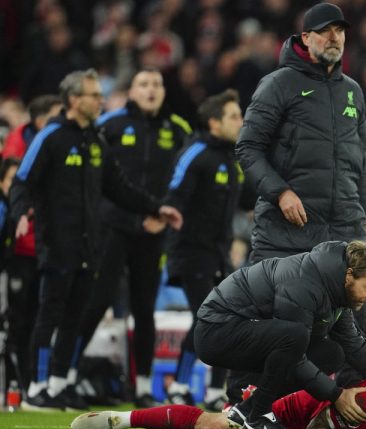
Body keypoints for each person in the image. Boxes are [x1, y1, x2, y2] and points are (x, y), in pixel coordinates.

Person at [9, 69, 182, 411]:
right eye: (93, 95)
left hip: (90, 244)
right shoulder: (53, 136)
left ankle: (58, 384)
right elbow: (23, 181)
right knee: (50, 313)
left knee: (74, 315)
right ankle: (36, 388)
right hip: (57, 240)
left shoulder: (95, 140)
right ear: (74, 100)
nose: (100, 100)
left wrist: (157, 208)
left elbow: (119, 188)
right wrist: (20, 214)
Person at [234, 1, 366, 399]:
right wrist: (280, 192)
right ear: (306, 37)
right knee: (268, 320)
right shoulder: (278, 84)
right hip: (286, 230)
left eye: (340, 31)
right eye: (326, 31)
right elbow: (248, 148)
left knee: (355, 325)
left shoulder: (353, 92)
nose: (335, 37)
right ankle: (244, 404)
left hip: (344, 227)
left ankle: (354, 408)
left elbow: (358, 162)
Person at [74, 68, 191, 408]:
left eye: (156, 84)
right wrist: (129, 219)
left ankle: (142, 387)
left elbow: (183, 181)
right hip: (113, 229)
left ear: (164, 91)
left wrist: (159, 217)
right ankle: (67, 374)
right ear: (132, 90)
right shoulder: (109, 125)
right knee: (97, 302)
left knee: (144, 309)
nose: (151, 90)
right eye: (144, 84)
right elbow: (98, 181)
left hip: (154, 232)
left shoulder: (178, 129)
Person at [193, 240, 366, 429]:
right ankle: (258, 418)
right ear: (350, 275)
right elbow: (294, 351)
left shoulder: (337, 291)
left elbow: (354, 345)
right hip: (216, 331)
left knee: (332, 354)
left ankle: (246, 411)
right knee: (296, 337)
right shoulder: (304, 282)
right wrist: (336, 395)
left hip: (248, 332)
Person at [162, 89, 243, 410]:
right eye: (234, 116)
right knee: (210, 316)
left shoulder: (231, 156)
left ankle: (212, 390)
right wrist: (169, 209)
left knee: (224, 315)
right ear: (214, 122)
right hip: (191, 250)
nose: (241, 121)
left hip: (218, 253)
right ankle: (180, 385)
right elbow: (176, 189)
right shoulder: (195, 152)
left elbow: (246, 197)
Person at [70, 375, 366, 429]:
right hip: (294, 409)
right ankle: (123, 418)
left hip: (321, 385)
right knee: (214, 426)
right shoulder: (356, 413)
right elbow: (313, 427)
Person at [1, 95, 62, 390]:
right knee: (21, 320)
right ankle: (18, 383)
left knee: (37, 317)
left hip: (42, 247)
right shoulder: (21, 149)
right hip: (22, 252)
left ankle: (29, 383)